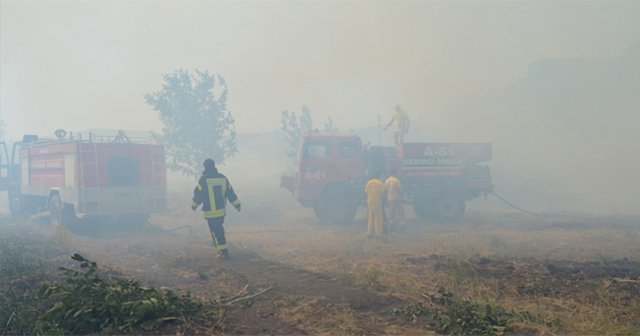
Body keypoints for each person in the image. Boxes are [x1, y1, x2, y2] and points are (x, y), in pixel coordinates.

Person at [191, 158, 241, 260]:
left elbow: (198, 194)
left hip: (210, 213)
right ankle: (223, 252)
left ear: (205, 167)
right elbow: (230, 192)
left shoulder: (204, 179)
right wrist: (237, 204)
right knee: (219, 230)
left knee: (215, 232)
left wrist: (194, 205)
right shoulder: (223, 178)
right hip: (221, 212)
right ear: (214, 166)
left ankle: (223, 253)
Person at [364, 172, 385, 239]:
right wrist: (383, 202)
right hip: (377, 201)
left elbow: (366, 193)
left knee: (371, 217)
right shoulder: (380, 183)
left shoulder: (369, 182)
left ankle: (369, 233)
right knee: (378, 218)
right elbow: (382, 194)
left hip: (369, 201)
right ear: (379, 176)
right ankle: (378, 234)